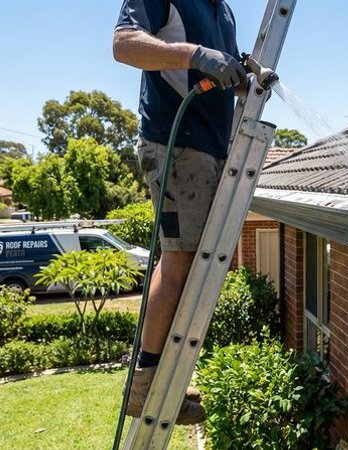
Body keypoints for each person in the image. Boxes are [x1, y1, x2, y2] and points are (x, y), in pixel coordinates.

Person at [112, 0, 248, 424]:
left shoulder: (223, 12)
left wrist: (242, 76)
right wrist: (196, 55)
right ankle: (144, 386)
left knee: (193, 265)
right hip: (175, 141)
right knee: (179, 260)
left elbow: (221, 75)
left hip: (212, 146)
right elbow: (124, 45)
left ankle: (166, 371)